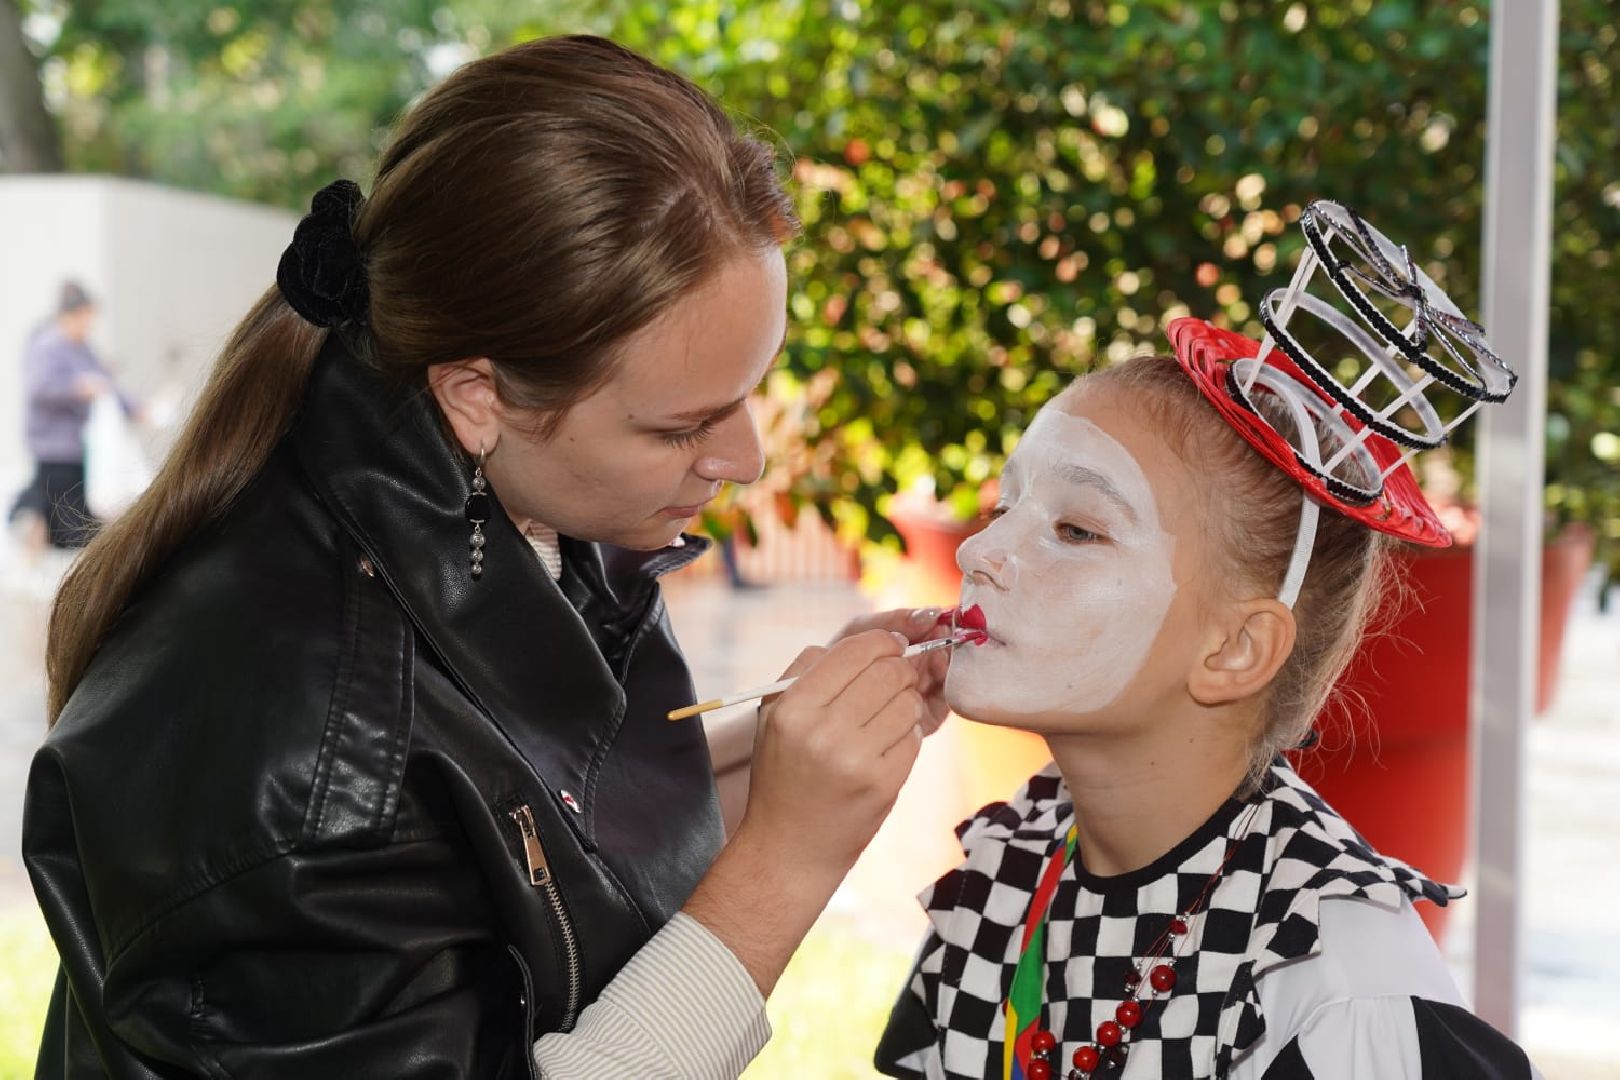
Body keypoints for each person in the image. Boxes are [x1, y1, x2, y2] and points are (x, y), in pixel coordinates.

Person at [25, 36, 951, 1079]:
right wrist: (790, 857)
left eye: (749, 391)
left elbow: (538, 844)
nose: (746, 458)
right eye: (683, 426)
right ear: (477, 396)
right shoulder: (311, 764)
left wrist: (780, 746)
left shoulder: (526, 509)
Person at [874, 205, 1541, 1079]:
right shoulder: (1010, 866)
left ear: (1236, 649)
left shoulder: (1337, 999)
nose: (977, 552)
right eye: (1006, 507)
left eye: (1076, 529)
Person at [9, 280, 138, 551]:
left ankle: (32, 518)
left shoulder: (83, 348)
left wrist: (134, 408)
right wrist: (76, 387)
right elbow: (39, 387)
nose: (89, 324)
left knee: (74, 518)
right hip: (55, 449)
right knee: (68, 523)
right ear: (69, 315)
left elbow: (106, 384)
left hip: (78, 449)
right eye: (85, 317)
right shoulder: (48, 346)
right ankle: (29, 519)